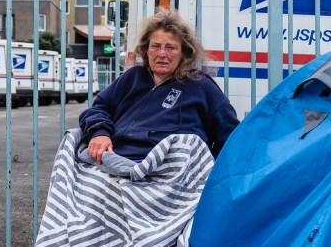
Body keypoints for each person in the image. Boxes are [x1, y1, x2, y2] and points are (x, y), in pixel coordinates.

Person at [80, 9, 239, 163]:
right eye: (155, 46)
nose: (162, 53)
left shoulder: (200, 85)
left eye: (171, 47)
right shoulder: (132, 78)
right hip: (118, 160)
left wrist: (207, 170)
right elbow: (98, 108)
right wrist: (99, 133)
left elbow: (232, 137)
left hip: (170, 174)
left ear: (184, 53)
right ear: (146, 50)